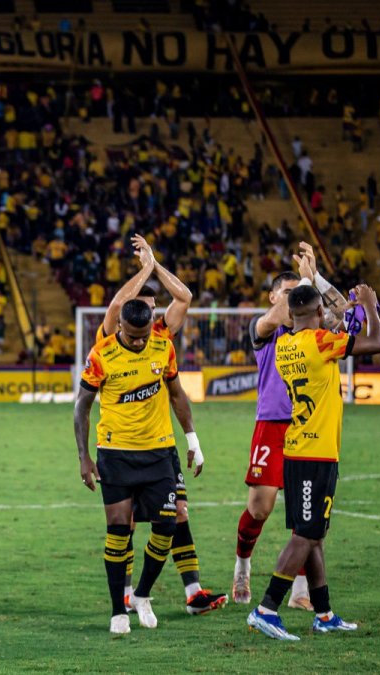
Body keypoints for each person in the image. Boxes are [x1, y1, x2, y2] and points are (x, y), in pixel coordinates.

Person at [246, 284, 380, 640]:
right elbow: (376, 344)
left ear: (290, 315)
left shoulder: (284, 345)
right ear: (319, 314)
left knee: (313, 535)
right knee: (306, 535)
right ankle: (266, 609)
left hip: (296, 449)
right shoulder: (321, 342)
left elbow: (324, 328)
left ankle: (324, 614)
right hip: (316, 452)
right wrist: (368, 305)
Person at [99, 236, 223, 613]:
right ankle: (125, 596)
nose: (151, 317)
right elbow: (118, 304)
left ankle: (192, 593)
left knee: (177, 514)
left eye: (153, 311)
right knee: (129, 525)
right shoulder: (113, 339)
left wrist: (155, 265)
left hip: (161, 446)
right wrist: (144, 271)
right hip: (122, 447)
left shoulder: (161, 339)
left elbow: (183, 298)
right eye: (143, 310)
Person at [75, 299, 202, 634]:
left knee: (166, 527)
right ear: (119, 327)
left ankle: (143, 594)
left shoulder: (163, 346)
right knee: (119, 531)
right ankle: (119, 609)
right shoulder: (102, 355)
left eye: (142, 336)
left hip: (158, 453)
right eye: (132, 337)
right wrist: (83, 456)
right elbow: (81, 406)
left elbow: (177, 394)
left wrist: (193, 441)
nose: (138, 342)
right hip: (115, 454)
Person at [234, 244, 348, 607]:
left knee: (308, 513)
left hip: (307, 425)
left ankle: (301, 593)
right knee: (260, 509)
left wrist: (314, 278)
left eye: (297, 295)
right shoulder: (263, 328)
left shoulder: (313, 331)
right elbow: (283, 311)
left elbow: (344, 312)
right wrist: (302, 282)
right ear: (272, 297)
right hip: (271, 424)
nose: (292, 299)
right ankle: (242, 566)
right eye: (285, 294)